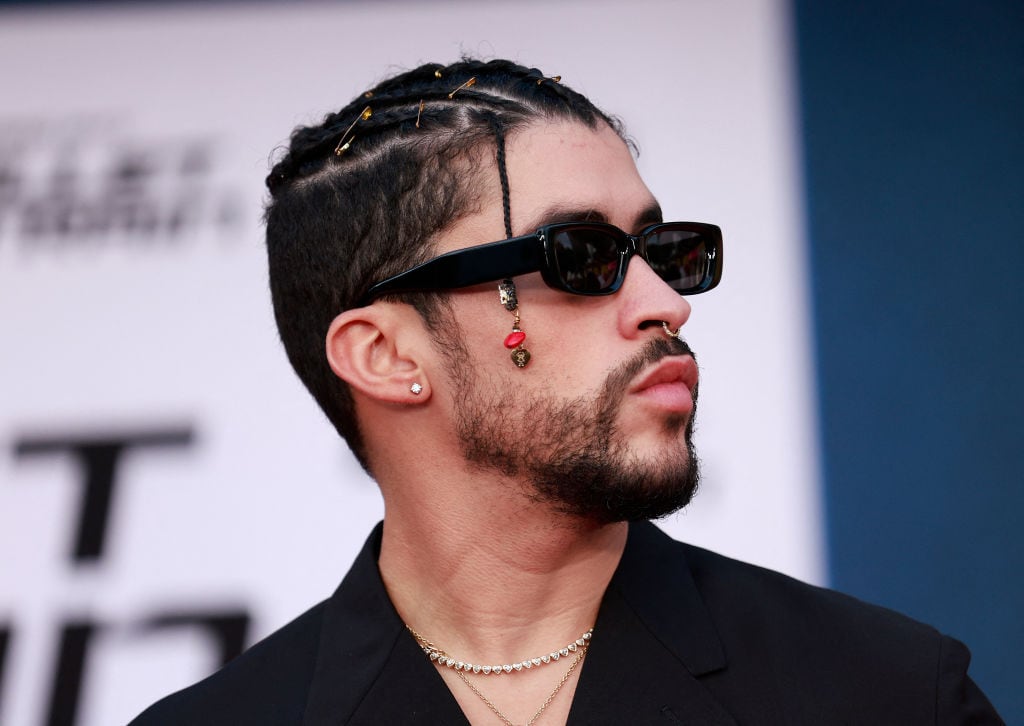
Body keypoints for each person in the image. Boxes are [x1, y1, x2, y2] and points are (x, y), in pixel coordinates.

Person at [132, 58, 1002, 725]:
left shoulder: (885, 694)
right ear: (387, 355)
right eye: (579, 258)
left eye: (664, 252)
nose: (667, 306)